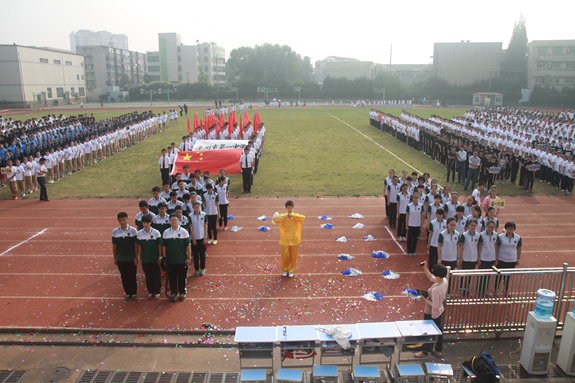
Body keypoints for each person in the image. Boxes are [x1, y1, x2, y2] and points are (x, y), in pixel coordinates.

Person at [414, 262, 448, 358]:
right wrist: (425, 267)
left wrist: (424, 299)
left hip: (432, 312)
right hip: (440, 310)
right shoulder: (444, 280)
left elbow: (434, 306)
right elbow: (431, 278)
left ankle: (425, 352)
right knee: (439, 330)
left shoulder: (435, 289)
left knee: (428, 331)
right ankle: (438, 350)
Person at [162, 213, 192, 302]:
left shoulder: (183, 232)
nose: (173, 221)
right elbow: (164, 246)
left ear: (179, 220)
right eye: (171, 220)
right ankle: (173, 292)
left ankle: (182, 292)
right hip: (171, 260)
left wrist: (189, 257)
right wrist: (164, 257)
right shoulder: (166, 232)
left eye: (175, 220)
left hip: (182, 260)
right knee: (172, 278)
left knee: (182, 277)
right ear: (169, 221)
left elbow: (188, 245)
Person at [272, 201, 306, 278]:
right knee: (285, 255)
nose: (289, 209)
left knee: (293, 255)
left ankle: (291, 270)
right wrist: (284, 216)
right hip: (285, 239)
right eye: (288, 208)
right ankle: (285, 269)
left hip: (294, 238)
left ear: (293, 207)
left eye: (291, 208)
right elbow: (275, 219)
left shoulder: (296, 216)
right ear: (286, 208)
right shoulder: (283, 216)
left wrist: (292, 215)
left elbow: (303, 218)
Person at [112, 212, 138, 302]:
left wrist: (136, 257)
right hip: (121, 258)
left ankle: (134, 292)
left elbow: (136, 245)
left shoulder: (133, 231)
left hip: (131, 258)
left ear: (127, 219)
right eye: (120, 220)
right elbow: (114, 246)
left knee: (132, 276)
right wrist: (115, 258)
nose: (122, 222)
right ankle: (127, 293)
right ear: (118, 221)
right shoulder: (115, 232)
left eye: (124, 219)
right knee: (124, 276)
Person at [136, 214, 162, 300]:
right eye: (143, 223)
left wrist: (160, 257)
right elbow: (139, 247)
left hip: (154, 258)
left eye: (147, 222)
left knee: (156, 275)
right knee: (148, 276)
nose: (145, 224)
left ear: (150, 222)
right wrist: (140, 258)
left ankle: (157, 291)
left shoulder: (156, 233)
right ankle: (151, 291)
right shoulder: (139, 233)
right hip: (145, 259)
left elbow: (159, 246)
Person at [496, 222, 522, 294]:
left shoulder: (518, 238)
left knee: (508, 276)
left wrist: (518, 259)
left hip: (512, 260)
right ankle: (496, 290)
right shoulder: (500, 237)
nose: (510, 230)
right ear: (505, 229)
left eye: (512, 229)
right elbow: (497, 247)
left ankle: (506, 290)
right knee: (499, 276)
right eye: (508, 229)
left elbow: (519, 249)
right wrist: (496, 258)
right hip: (502, 259)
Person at [477, 220, 499, 296]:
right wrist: (479, 258)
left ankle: (484, 291)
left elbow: (496, 246)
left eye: (493, 227)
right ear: (486, 226)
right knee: (482, 275)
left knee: (488, 276)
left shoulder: (495, 235)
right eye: (490, 227)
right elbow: (479, 246)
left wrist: (496, 258)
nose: (491, 228)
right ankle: (479, 290)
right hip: (483, 258)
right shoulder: (482, 235)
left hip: (491, 258)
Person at [189, 201, 208, 276]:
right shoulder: (190, 216)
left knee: (202, 255)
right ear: (192, 208)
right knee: (196, 255)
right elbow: (191, 228)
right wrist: (193, 239)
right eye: (195, 208)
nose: (196, 209)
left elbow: (205, 226)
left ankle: (203, 268)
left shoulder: (204, 215)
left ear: (200, 207)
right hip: (194, 239)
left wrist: (205, 237)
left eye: (198, 207)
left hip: (202, 238)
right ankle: (196, 269)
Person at [405, 192, 423, 256]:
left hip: (417, 225)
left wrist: (421, 225)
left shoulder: (421, 206)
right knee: (409, 238)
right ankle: (409, 250)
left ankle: (413, 250)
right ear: (412, 198)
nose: (415, 199)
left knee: (415, 239)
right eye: (414, 197)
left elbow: (421, 216)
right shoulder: (409, 206)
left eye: (417, 197)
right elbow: (407, 216)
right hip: (411, 224)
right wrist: (406, 225)